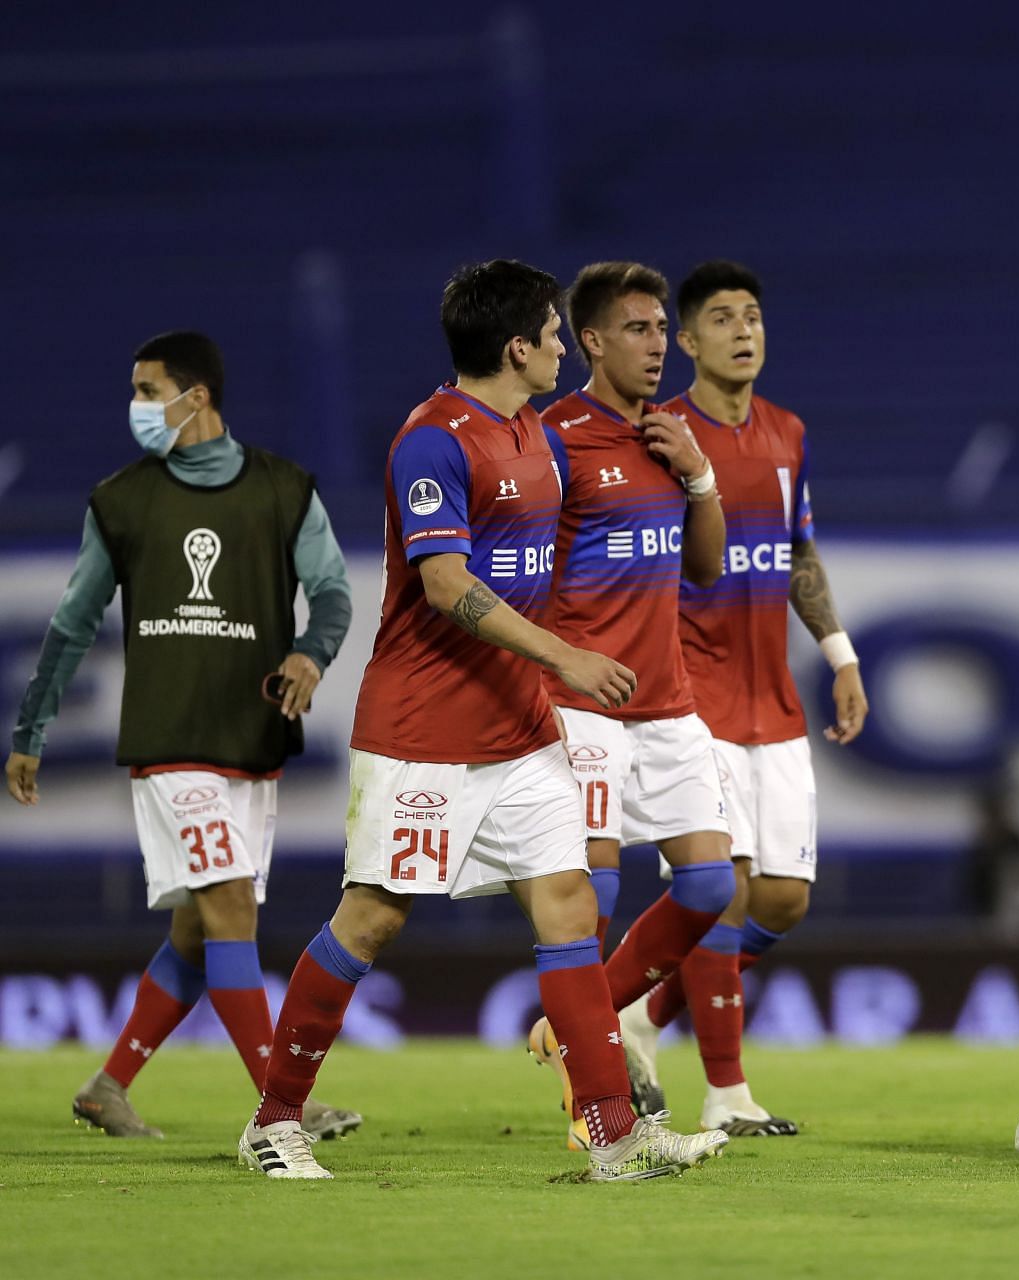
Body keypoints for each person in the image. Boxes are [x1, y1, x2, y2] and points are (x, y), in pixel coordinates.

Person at [234, 260, 727, 1181]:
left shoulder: (537, 432)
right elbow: (446, 584)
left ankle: (613, 1133)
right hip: (423, 729)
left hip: (521, 727)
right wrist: (566, 656)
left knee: (570, 903)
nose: (559, 346)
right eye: (551, 333)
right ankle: (274, 1119)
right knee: (372, 919)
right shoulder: (431, 441)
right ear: (518, 347)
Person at [6, 330, 359, 1143]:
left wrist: (311, 652)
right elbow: (71, 621)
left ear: (194, 396)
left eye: (146, 389)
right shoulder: (123, 500)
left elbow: (335, 595)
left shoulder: (284, 489)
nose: (136, 407)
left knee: (199, 931)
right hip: (170, 742)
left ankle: (107, 1086)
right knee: (231, 906)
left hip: (252, 740)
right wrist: (34, 725)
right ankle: (284, 1108)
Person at [619, 259, 867, 1137]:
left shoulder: (787, 432)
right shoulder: (658, 436)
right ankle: (728, 1095)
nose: (743, 330)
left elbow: (798, 554)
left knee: (784, 902)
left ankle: (643, 1017)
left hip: (774, 706)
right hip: (691, 704)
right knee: (722, 889)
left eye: (753, 315)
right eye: (721, 318)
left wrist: (838, 652)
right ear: (685, 341)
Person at [522, 260, 735, 1150]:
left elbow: (706, 568)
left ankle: (581, 1014)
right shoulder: (555, 437)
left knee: (712, 883)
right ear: (593, 341)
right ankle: (592, 1106)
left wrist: (700, 479)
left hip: (667, 699)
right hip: (584, 705)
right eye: (639, 331)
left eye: (661, 330)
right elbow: (519, 569)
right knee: (595, 889)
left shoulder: (670, 435)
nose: (657, 346)